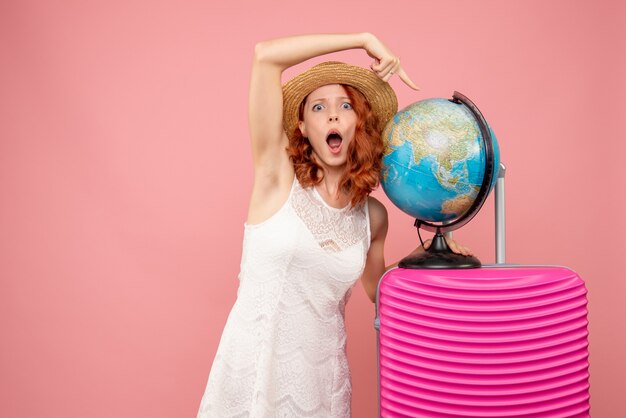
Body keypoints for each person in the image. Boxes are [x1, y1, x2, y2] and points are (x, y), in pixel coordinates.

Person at [197, 32, 471, 418]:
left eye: (345, 105)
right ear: (303, 128)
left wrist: (424, 256)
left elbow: (380, 292)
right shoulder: (275, 179)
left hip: (323, 388)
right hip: (254, 381)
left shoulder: (372, 216)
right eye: (318, 107)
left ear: (358, 123)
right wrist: (363, 37)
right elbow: (264, 57)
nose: (332, 115)